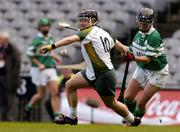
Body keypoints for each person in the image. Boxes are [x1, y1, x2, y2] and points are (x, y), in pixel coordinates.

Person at [39, 9, 141, 126]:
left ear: (94, 21)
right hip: (91, 72)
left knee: (111, 104)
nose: (82, 23)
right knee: (70, 85)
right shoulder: (105, 34)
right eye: (81, 21)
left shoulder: (87, 32)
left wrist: (51, 46)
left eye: (85, 21)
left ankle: (133, 120)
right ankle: (72, 117)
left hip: (104, 74)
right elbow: (120, 46)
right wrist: (126, 52)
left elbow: (70, 39)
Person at [123, 8, 169, 123]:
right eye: (141, 23)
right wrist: (123, 50)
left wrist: (132, 57)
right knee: (128, 97)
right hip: (143, 68)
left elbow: (147, 59)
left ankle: (135, 121)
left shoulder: (154, 36)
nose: (143, 26)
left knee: (141, 102)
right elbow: (133, 49)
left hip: (158, 71)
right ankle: (132, 117)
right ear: (137, 21)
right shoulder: (138, 34)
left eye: (146, 24)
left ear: (151, 23)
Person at [25, 18, 61, 121]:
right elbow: (29, 54)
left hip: (50, 68)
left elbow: (48, 52)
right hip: (39, 70)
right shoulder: (36, 40)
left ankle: (56, 116)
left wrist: (54, 56)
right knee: (41, 94)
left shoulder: (50, 38)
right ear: (39, 27)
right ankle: (28, 107)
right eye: (43, 26)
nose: (45, 28)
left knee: (55, 92)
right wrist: (39, 64)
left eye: (47, 26)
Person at [0, 31, 21, 121]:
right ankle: (2, 118)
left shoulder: (12, 49)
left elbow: (17, 63)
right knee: (1, 98)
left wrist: (13, 75)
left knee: (10, 99)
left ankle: (9, 117)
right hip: (0, 76)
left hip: (9, 78)